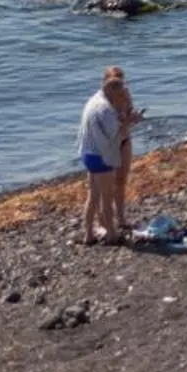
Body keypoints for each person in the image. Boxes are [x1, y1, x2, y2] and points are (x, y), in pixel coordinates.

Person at [75, 67, 138, 244]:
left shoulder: (95, 100)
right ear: (111, 89)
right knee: (106, 195)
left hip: (88, 152)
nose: (123, 94)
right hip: (101, 155)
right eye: (120, 91)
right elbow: (117, 135)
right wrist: (129, 121)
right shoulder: (105, 109)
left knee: (93, 195)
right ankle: (111, 233)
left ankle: (88, 233)